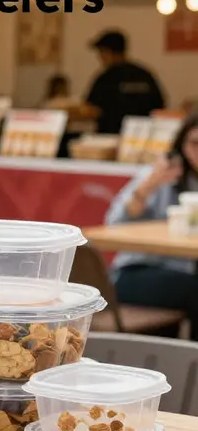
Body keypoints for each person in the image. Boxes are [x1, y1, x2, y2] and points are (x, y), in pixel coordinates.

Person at [106, 114, 198, 339]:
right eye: (195, 143)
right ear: (181, 145)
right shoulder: (161, 176)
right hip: (139, 273)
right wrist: (149, 186)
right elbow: (115, 224)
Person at [85, 31, 165, 134]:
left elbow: (91, 110)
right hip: (141, 138)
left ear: (108, 52)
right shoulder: (144, 75)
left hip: (111, 138)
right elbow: (159, 106)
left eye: (101, 52)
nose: (99, 57)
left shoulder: (106, 78)